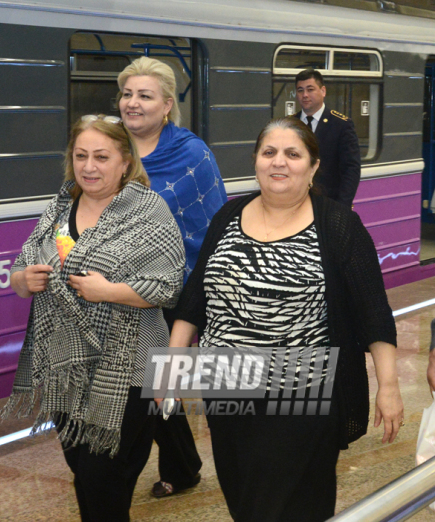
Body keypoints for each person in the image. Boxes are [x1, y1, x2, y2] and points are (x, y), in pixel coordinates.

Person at [166, 117, 403, 521]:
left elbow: (373, 312)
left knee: (278, 505)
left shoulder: (338, 225)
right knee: (243, 499)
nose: (279, 162)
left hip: (302, 387)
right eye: (269, 152)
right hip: (225, 383)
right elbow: (195, 298)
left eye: (293, 154)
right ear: (256, 161)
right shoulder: (227, 216)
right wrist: (171, 369)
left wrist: (390, 386)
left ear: (312, 167)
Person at [2, 115, 185, 522]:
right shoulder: (58, 207)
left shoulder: (148, 211)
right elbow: (19, 270)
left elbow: (170, 286)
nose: (89, 166)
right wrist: (24, 279)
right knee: (86, 475)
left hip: (131, 367)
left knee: (100, 476)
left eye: (102, 157)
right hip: (67, 368)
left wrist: (110, 292)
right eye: (81, 156)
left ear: (125, 161)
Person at [118, 56, 227, 497]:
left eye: (144, 95)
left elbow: (214, 221)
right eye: (126, 94)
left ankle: (155, 468)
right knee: (147, 380)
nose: (133, 103)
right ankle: (182, 465)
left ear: (167, 106)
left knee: (148, 377)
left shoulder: (192, 153)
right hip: (112, 287)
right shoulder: (109, 146)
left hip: (172, 286)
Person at [294, 68, 361, 207]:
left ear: (323, 91)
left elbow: (351, 170)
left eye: (310, 89)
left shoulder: (341, 124)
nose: (305, 95)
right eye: (300, 90)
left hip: (329, 204)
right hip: (295, 204)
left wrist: (342, 207)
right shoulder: (290, 124)